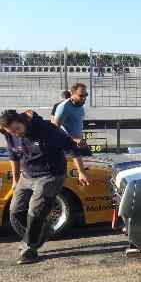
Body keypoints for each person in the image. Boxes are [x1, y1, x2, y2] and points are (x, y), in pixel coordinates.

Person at [1, 109, 90, 264]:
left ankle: (29, 248)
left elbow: (72, 148)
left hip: (50, 174)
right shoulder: (9, 134)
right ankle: (43, 230)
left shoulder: (47, 130)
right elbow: (14, 157)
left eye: (18, 129)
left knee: (35, 211)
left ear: (24, 122)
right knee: (15, 212)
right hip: (27, 175)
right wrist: (15, 180)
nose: (16, 134)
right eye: (11, 132)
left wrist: (81, 172)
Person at [53, 83, 88, 147]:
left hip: (77, 144)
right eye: (81, 96)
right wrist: (74, 139)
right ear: (72, 94)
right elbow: (54, 129)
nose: (84, 98)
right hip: (66, 146)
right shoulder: (64, 107)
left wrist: (78, 140)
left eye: (85, 95)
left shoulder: (80, 106)